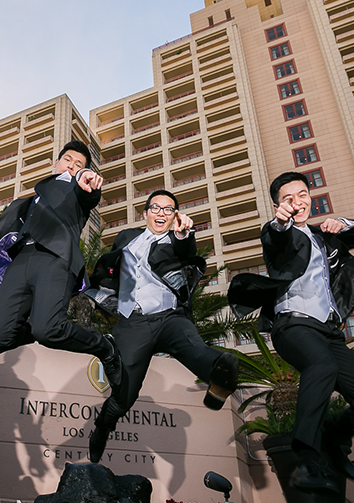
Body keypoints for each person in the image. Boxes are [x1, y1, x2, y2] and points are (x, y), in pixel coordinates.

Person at [227, 171, 354, 494]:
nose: (297, 202)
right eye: (288, 198)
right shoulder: (280, 235)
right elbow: (274, 236)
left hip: (328, 332)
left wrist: (342, 223)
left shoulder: (324, 236)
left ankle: (329, 439)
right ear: (278, 205)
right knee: (322, 366)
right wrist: (281, 222)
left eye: (302, 195)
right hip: (293, 325)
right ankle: (304, 458)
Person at [84, 190, 240, 463]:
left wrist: (183, 235)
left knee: (194, 346)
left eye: (169, 210)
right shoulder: (126, 238)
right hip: (134, 322)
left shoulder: (177, 239)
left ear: (175, 217)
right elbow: (109, 267)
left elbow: (186, 250)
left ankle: (219, 376)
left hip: (169, 316)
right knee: (124, 396)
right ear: (144, 213)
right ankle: (102, 428)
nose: (161, 213)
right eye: (155, 208)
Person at [0, 140, 123, 391]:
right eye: (67, 160)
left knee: (48, 330)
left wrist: (84, 177)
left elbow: (90, 193)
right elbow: (6, 244)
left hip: (55, 259)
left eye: (78, 164)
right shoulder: (27, 202)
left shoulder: (77, 191)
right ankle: (40, 319)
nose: (71, 166)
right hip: (20, 264)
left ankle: (104, 345)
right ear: (56, 163)